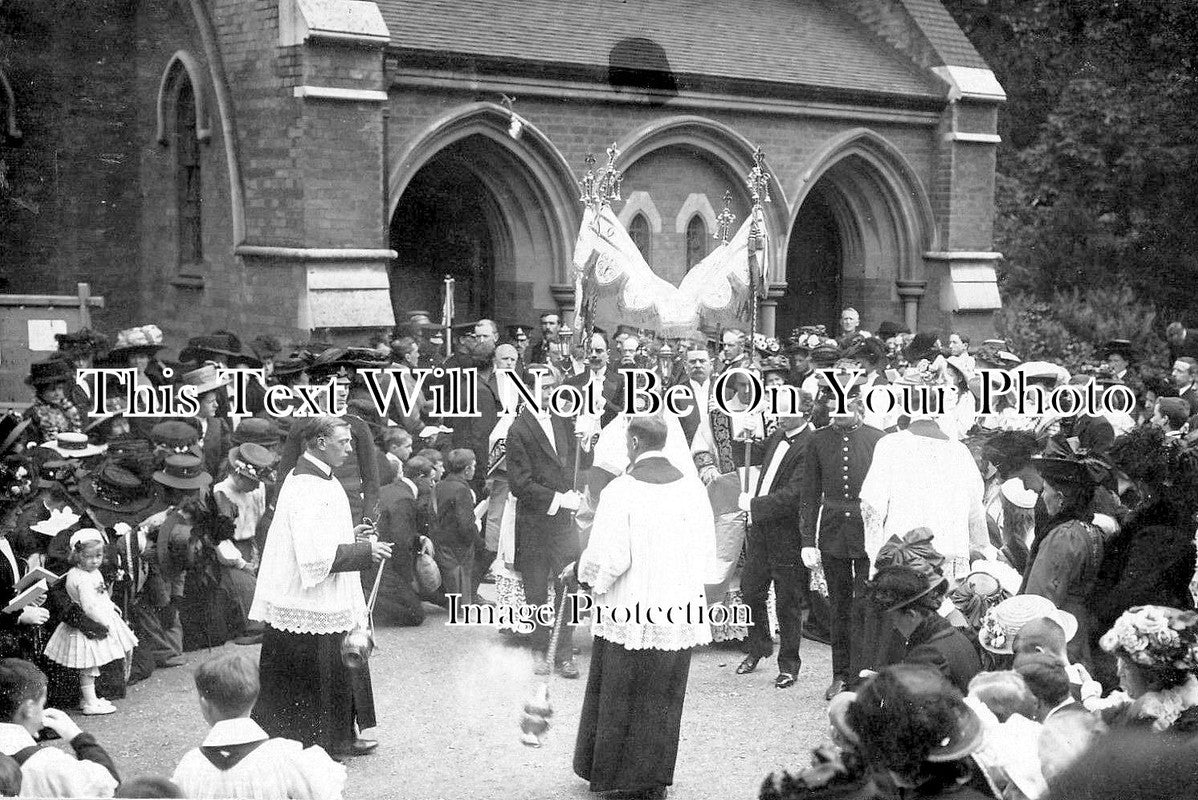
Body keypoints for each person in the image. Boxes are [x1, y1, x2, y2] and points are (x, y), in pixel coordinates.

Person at [570, 415, 718, 800]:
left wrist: (581, 573)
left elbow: (610, 557)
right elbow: (706, 553)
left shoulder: (621, 491)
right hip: (677, 608)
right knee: (663, 694)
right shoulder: (693, 491)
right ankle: (652, 782)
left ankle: (614, 778)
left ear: (633, 444)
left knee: (620, 690)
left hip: (629, 606)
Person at [249, 416, 392, 759]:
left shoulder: (321, 479)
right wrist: (363, 552)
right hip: (305, 595)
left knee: (338, 665)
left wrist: (352, 539)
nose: (349, 448)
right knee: (317, 668)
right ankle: (313, 742)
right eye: (342, 442)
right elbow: (312, 557)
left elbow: (321, 538)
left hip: (324, 594)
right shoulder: (304, 485)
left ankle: (338, 735)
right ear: (317, 443)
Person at [860, 371, 990, 580]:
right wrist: (982, 550)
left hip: (903, 556)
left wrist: (876, 556)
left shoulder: (890, 444)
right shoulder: (959, 451)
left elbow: (871, 508)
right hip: (950, 554)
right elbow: (976, 513)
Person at [171, 652, 345, 799]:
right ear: (254, 700)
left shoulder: (190, 766)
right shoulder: (284, 756)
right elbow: (327, 792)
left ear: (204, 704)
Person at [803, 392, 885, 700]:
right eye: (833, 411)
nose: (838, 416)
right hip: (833, 529)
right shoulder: (818, 440)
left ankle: (862, 673)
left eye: (845, 410)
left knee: (866, 604)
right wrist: (807, 539)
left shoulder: (878, 438)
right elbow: (809, 494)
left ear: (859, 408)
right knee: (838, 605)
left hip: (868, 530)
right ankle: (839, 673)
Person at [735, 388, 814, 689]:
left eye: (786, 410)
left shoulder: (810, 444)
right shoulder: (778, 435)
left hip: (789, 533)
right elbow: (747, 456)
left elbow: (794, 496)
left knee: (788, 601)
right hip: (763, 530)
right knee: (750, 590)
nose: (779, 414)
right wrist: (744, 436)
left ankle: (789, 665)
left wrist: (753, 505)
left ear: (804, 411)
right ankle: (759, 646)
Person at [506, 369, 581, 678]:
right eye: (541, 388)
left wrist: (586, 443)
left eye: (552, 386)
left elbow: (575, 466)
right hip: (535, 523)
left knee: (569, 586)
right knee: (535, 589)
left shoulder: (564, 420)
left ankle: (563, 653)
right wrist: (558, 499)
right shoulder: (518, 429)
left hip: (564, 523)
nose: (548, 393)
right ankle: (540, 649)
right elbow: (518, 484)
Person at [42, 530, 137, 716]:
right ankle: (90, 702)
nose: (95, 561)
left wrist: (111, 606)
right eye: (88, 557)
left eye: (98, 556)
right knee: (88, 665)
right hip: (89, 624)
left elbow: (101, 595)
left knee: (92, 663)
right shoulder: (80, 576)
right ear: (77, 556)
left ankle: (89, 697)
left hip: (99, 616)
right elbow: (89, 606)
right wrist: (104, 622)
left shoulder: (93, 573)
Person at [0, 658, 119, 797]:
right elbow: (110, 785)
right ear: (29, 709)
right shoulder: (48, 763)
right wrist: (77, 736)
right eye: (42, 704)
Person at [864, 566, 981, 693]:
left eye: (893, 619)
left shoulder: (928, 657)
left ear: (911, 614)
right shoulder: (951, 633)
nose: (894, 627)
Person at [430, 449, 481, 605]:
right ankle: (463, 605)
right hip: (459, 543)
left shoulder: (439, 485)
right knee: (462, 578)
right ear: (467, 470)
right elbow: (465, 524)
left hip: (441, 539)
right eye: (473, 467)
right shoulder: (462, 489)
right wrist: (478, 540)